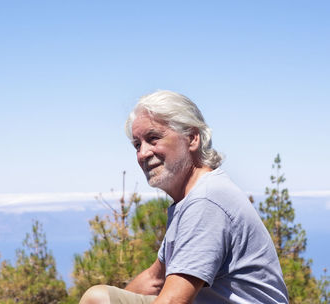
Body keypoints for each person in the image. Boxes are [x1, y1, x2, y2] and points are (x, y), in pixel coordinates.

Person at [79, 90, 288, 304]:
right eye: (137, 145)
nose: (142, 153)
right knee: (101, 298)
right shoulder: (190, 200)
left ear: (192, 138)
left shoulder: (206, 201)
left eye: (153, 138)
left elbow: (173, 301)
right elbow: (155, 279)